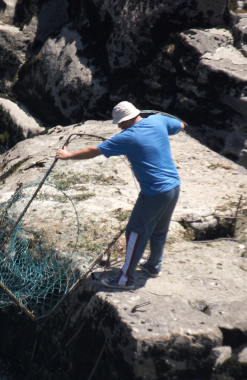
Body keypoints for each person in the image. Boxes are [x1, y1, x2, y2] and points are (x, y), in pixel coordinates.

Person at [56, 101, 184, 289]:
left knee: (134, 233)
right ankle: (153, 266)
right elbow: (180, 125)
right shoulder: (158, 120)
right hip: (174, 188)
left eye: (120, 122)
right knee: (159, 230)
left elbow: (94, 151)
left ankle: (125, 279)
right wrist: (163, 119)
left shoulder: (127, 137)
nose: (118, 126)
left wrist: (68, 155)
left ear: (126, 120)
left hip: (154, 193)